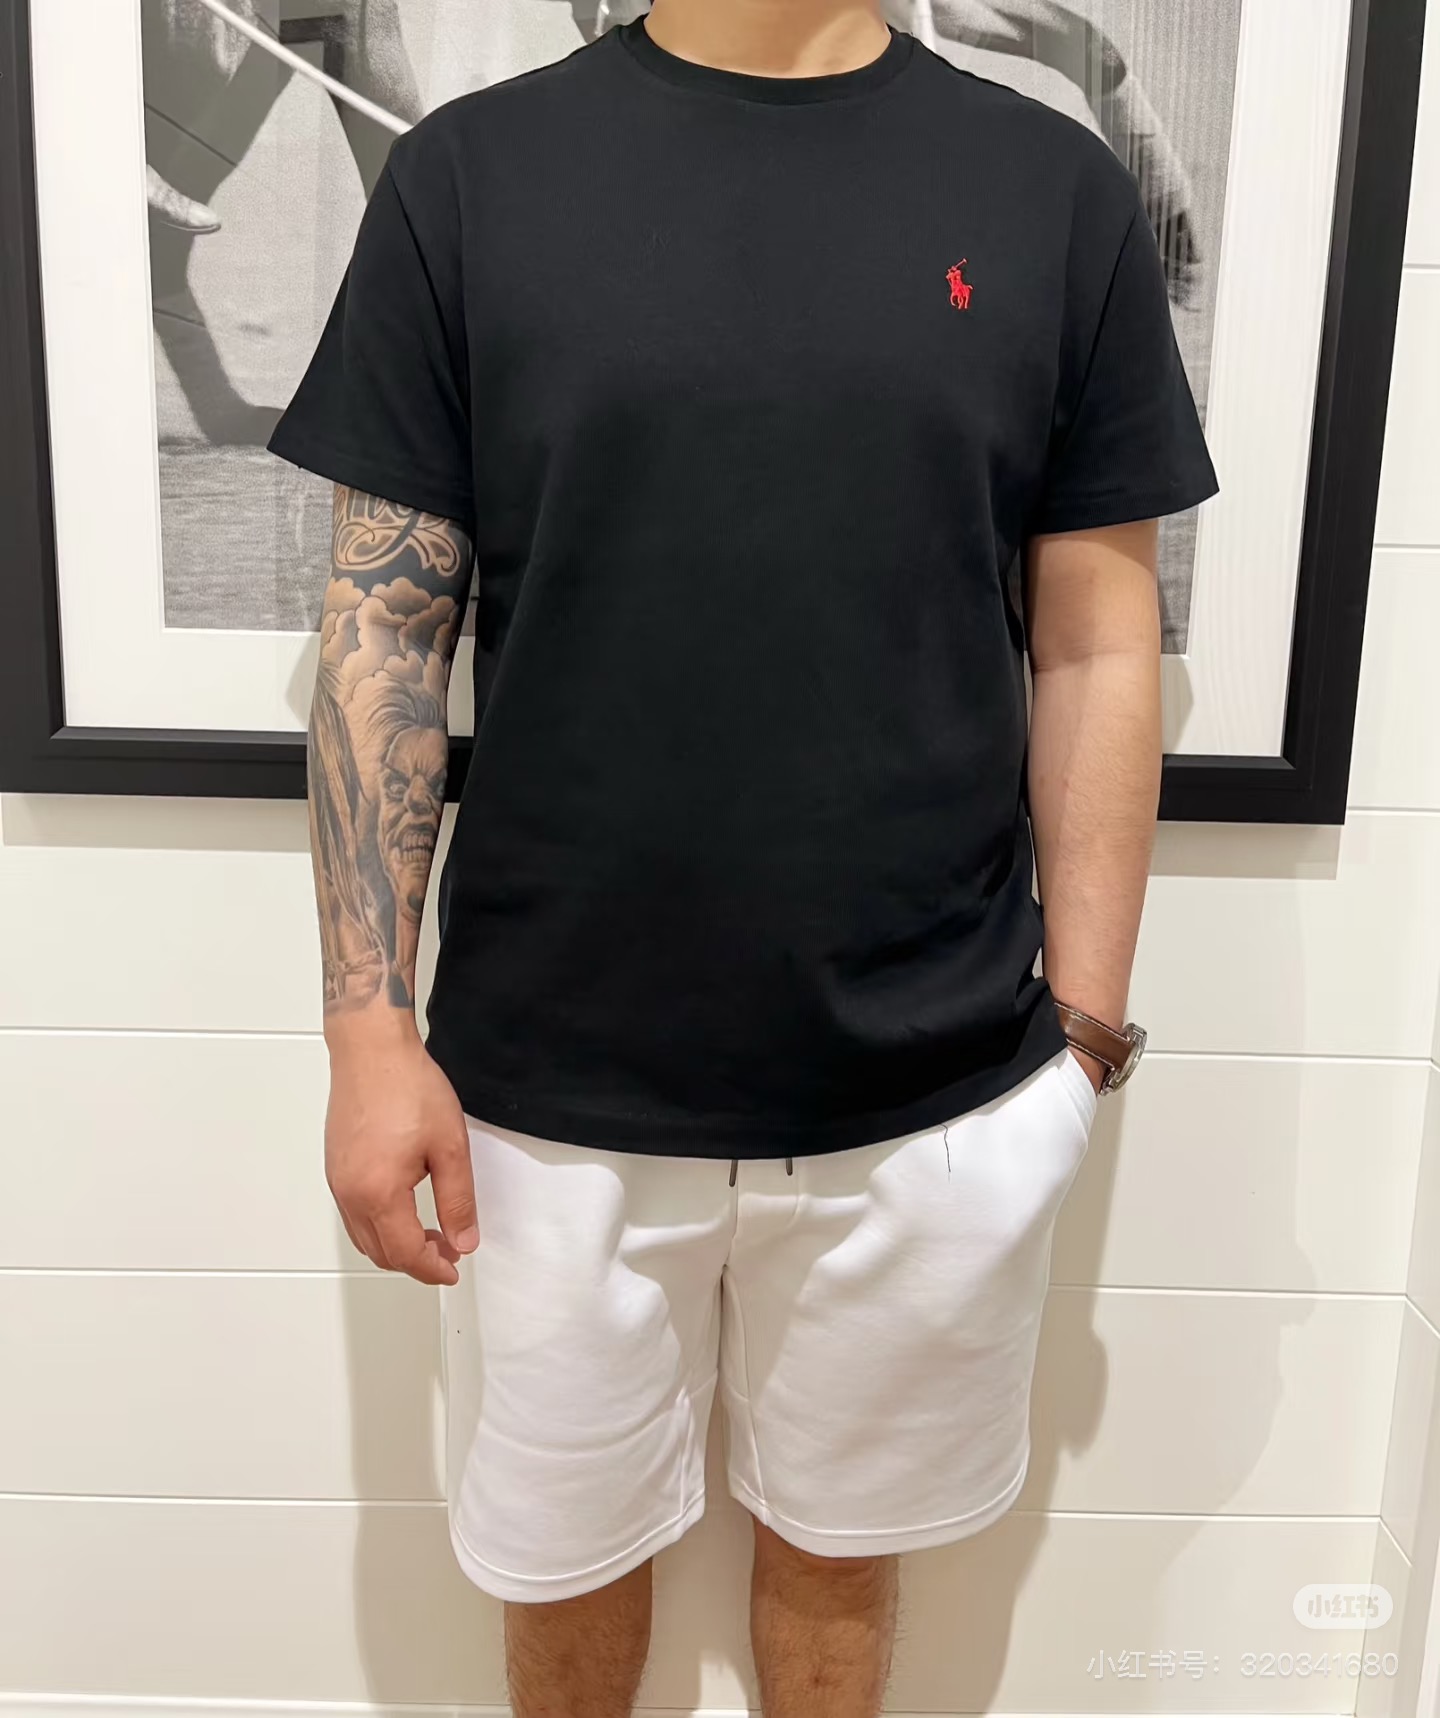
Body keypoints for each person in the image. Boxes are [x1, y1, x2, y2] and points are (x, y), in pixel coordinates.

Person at [266, 1, 1219, 1712]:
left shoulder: (1051, 193)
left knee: (845, 1577)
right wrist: (364, 1030)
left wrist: (1081, 1041)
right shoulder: (472, 179)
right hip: (541, 1096)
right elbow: (384, 624)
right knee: (559, 1582)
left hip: (934, 1088)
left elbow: (1096, 642)